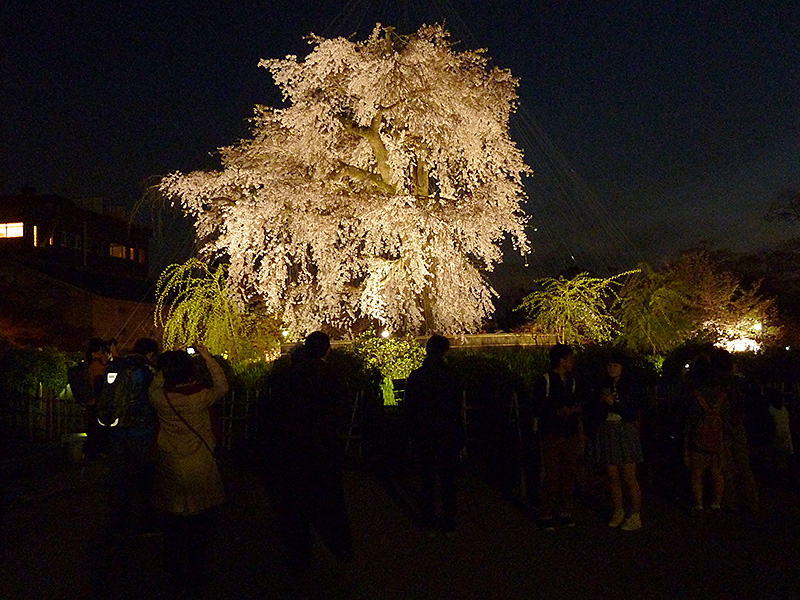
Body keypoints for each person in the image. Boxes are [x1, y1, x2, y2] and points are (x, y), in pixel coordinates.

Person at [149, 344, 228, 593]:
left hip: (171, 464)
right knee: (199, 528)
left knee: (172, 526)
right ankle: (197, 572)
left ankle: (173, 572)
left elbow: (155, 384)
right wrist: (207, 357)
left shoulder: (160, 399)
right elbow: (222, 386)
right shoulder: (200, 398)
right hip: (199, 465)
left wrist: (167, 364)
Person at [275, 331, 353, 572]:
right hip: (325, 445)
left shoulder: (290, 375)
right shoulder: (332, 374)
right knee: (330, 498)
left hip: (296, 446)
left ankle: (301, 554)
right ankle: (339, 545)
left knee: (298, 500)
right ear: (327, 349)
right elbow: (341, 407)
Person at [404, 334, 465, 534]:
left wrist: (411, 431)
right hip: (447, 431)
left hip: (425, 432)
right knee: (448, 478)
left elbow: (410, 407)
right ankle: (449, 518)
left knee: (427, 478)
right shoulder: (452, 376)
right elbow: (457, 407)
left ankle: (427, 517)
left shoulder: (417, 376)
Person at [99, 337, 159, 534]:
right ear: (150, 353)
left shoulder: (116, 365)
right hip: (141, 428)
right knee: (143, 473)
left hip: (116, 427)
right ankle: (146, 520)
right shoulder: (147, 369)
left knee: (118, 473)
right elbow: (154, 398)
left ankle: (117, 517)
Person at [534, 343, 583, 530]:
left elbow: (581, 400)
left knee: (568, 473)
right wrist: (557, 411)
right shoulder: (545, 380)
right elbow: (537, 406)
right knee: (552, 474)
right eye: (569, 358)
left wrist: (575, 410)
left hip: (569, 432)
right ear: (561, 360)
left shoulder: (573, 381)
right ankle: (546, 512)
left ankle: (565, 511)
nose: (572, 362)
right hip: (552, 433)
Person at [594, 353, 643, 530]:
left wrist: (614, 403)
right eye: (609, 365)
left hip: (624, 430)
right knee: (612, 475)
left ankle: (635, 514)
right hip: (607, 430)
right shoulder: (603, 386)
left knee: (629, 476)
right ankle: (618, 510)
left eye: (615, 365)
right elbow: (597, 412)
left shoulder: (631, 387)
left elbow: (631, 412)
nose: (611, 368)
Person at [682, 353, 730, 516]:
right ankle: (717, 503)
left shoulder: (695, 395)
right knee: (717, 472)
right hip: (718, 439)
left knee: (697, 472)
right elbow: (727, 419)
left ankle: (699, 504)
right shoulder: (722, 395)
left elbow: (689, 419)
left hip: (698, 438)